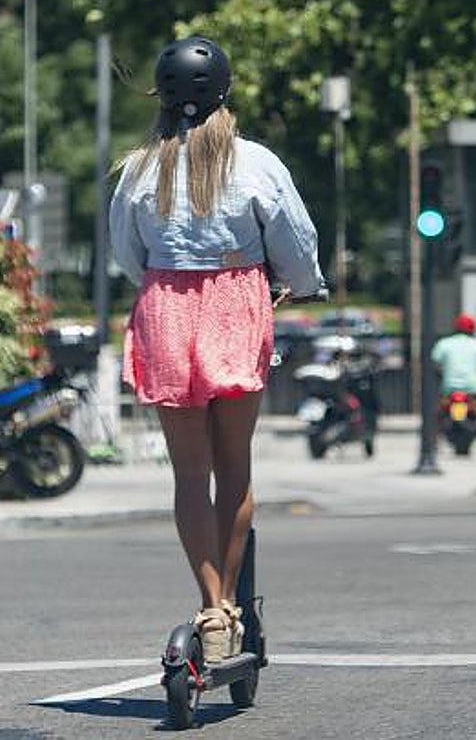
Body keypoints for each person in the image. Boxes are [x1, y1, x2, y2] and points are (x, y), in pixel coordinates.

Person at [110, 36, 324, 663]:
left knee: (189, 476)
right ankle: (230, 603)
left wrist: (168, 274)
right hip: (236, 304)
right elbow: (295, 241)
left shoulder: (140, 167)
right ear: (224, 93)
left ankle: (207, 604)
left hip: (166, 310)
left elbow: (127, 255)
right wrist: (303, 285)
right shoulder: (256, 162)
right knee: (235, 469)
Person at [431, 312, 476, 443]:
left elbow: (435, 362)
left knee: (438, 414)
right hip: (472, 388)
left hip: (449, 388)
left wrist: (439, 374)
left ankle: (435, 442)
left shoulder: (444, 343)